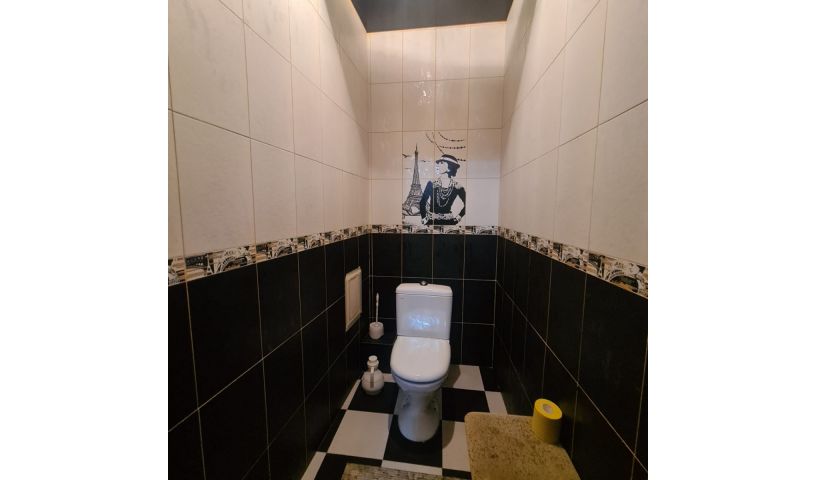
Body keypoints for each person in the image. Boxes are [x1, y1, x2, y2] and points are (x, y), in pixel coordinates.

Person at [420, 154, 466, 225]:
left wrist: (458, 218)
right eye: (438, 163)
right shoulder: (431, 183)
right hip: (432, 222)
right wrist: (424, 218)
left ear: (450, 167)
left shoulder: (457, 186)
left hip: (449, 223)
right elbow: (422, 202)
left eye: (442, 163)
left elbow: (467, 204)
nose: (438, 165)